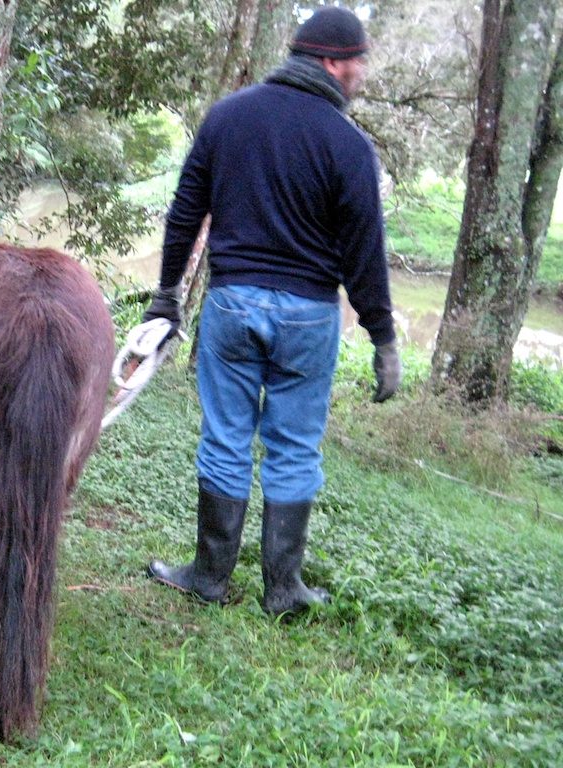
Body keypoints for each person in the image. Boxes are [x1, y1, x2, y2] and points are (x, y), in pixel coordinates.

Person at [144, 6, 401, 617]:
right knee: (294, 448)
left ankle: (208, 577)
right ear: (332, 61)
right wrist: (383, 337)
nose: (361, 72)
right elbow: (364, 251)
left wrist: (167, 293)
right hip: (310, 316)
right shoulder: (348, 144)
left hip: (232, 303)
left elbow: (185, 212)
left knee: (226, 437)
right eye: (358, 61)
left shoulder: (229, 116)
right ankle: (283, 590)